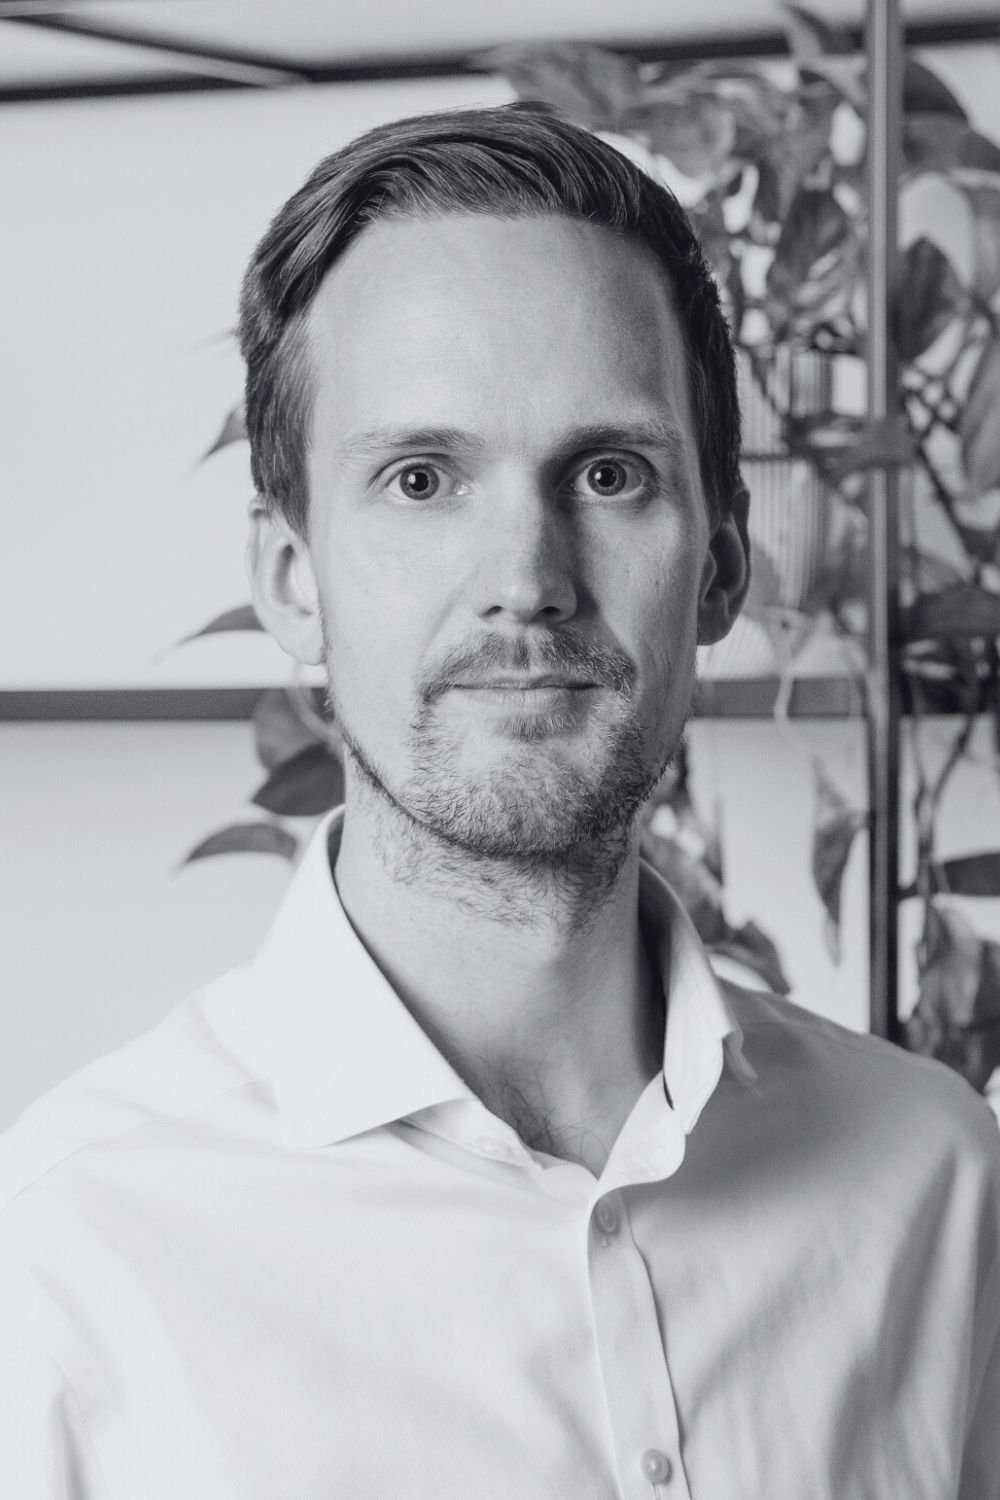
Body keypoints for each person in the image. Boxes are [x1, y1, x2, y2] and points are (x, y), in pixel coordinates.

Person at [1, 103, 998, 1500]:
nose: (525, 580)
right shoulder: (61, 1269)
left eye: (609, 474)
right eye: (421, 480)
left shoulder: (938, 1183)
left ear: (720, 569)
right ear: (291, 580)